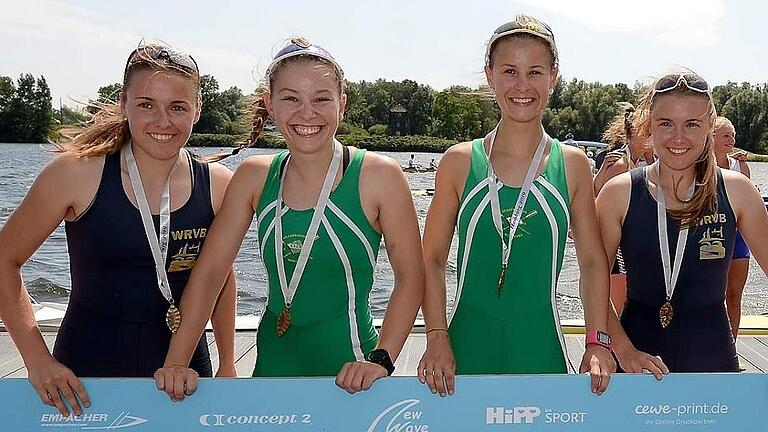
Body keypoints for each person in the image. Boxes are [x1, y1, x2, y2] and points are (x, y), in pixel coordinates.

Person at [153, 38, 424, 400]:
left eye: (322, 99)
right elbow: (210, 274)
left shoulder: (380, 176)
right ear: (270, 104)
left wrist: (381, 359)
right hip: (273, 370)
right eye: (291, 98)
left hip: (354, 376)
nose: (307, 113)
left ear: (342, 104)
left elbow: (411, 277)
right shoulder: (253, 176)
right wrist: (177, 361)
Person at [0, 41, 237, 417]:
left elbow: (221, 277)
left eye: (178, 107)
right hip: (86, 370)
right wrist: (37, 360)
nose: (163, 121)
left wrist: (227, 363)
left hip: (186, 370)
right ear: (124, 102)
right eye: (146, 105)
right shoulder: (75, 174)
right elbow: (4, 261)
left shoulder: (219, 185)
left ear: (197, 110)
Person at [418, 14, 614, 398]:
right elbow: (432, 259)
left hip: (540, 346)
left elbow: (592, 261)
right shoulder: (459, 162)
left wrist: (597, 341)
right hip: (464, 348)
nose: (522, 86)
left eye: (535, 72)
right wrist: (436, 335)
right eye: (509, 71)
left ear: (554, 77)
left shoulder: (572, 165)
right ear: (489, 75)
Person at [597, 70, 768, 375]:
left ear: (708, 128)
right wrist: (623, 350)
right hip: (637, 358)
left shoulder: (738, 191)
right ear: (649, 126)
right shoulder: (618, 193)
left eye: (692, 124)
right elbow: (593, 282)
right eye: (666, 124)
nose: (678, 137)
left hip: (713, 357)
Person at [593, 103, 655, 315]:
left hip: (630, 241)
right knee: (620, 309)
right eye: (648, 130)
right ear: (636, 133)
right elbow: (603, 204)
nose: (653, 135)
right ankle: (613, 347)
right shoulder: (621, 164)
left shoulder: (641, 162)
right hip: (617, 244)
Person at [713, 116, 751, 338]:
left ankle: (731, 349)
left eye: (733, 135)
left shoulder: (740, 166)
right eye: (726, 135)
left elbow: (748, 202)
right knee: (710, 295)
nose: (731, 139)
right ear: (713, 137)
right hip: (713, 236)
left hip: (738, 237)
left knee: (734, 295)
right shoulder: (700, 165)